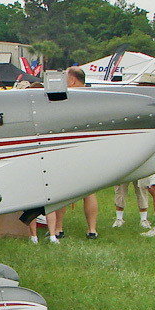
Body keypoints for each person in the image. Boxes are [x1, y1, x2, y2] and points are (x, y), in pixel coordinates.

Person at [53, 67, 99, 240]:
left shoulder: (67, 97)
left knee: (63, 189)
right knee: (90, 190)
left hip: (70, 146)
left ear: (72, 80)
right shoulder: (93, 98)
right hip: (88, 147)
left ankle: (58, 228)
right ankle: (92, 230)